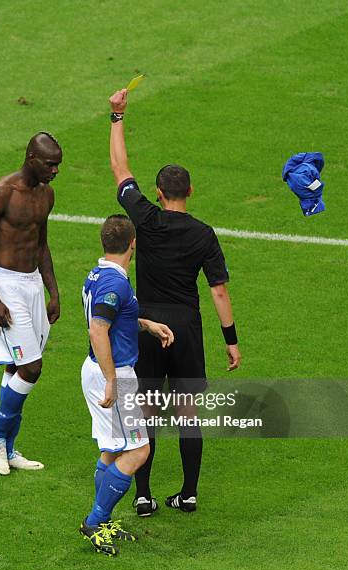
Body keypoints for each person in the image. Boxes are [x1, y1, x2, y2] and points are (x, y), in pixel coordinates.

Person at [109, 89, 241, 515]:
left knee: (145, 412)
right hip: (184, 329)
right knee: (187, 412)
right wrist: (231, 340)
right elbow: (218, 289)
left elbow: (119, 168)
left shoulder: (144, 219)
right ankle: (189, 494)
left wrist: (117, 117)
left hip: (146, 328)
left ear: (158, 193)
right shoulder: (203, 234)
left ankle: (143, 496)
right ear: (191, 191)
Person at [80, 214, 174, 556]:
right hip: (114, 374)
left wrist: (146, 324)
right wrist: (111, 380)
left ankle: (101, 522)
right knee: (138, 450)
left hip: (100, 369)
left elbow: (112, 320)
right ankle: (95, 521)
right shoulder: (115, 283)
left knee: (113, 449)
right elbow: (97, 330)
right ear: (133, 243)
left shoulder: (99, 274)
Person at [0, 132, 62, 476]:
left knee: (15, 366)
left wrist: (53, 291)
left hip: (32, 285)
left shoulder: (46, 195)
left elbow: (41, 245)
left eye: (58, 165)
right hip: (5, 285)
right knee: (32, 367)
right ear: (31, 158)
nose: (55, 171)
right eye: (50, 164)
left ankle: (8, 447)